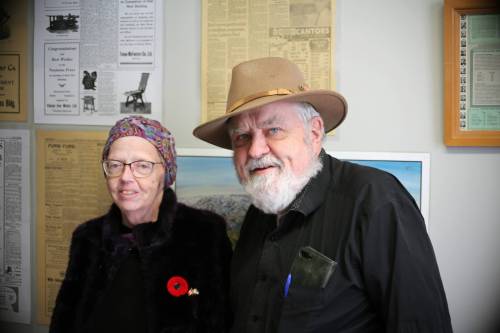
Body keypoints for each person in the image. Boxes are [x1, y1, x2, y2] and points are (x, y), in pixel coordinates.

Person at [193, 57, 452, 332]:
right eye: (242, 138)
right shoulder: (259, 212)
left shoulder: (375, 201)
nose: (255, 151)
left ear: (314, 133)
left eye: (274, 130)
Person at [50, 116, 233, 333]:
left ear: (166, 173)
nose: (126, 177)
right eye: (115, 165)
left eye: (142, 166)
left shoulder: (205, 233)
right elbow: (64, 322)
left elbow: (221, 322)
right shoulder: (87, 237)